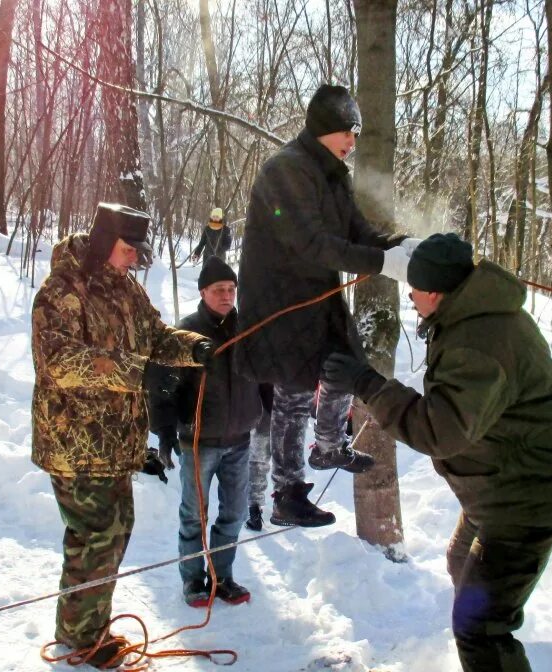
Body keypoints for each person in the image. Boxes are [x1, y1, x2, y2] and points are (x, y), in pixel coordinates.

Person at [322, 233, 552, 672]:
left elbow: (439, 430)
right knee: (460, 561)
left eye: (412, 288)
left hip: (528, 498)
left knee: (481, 626)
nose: (409, 296)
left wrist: (367, 383)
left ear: (432, 292)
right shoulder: (474, 312)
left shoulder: (477, 344)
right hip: (500, 485)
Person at [32, 203, 214, 669]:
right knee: (97, 536)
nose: (134, 259)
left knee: (112, 535)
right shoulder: (62, 290)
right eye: (127, 248)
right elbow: (62, 361)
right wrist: (138, 372)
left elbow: (155, 337)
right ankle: (82, 637)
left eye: (138, 250)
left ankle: (81, 628)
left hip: (116, 441)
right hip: (75, 441)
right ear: (101, 241)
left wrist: (196, 347)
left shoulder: (126, 290)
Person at [233, 84, 418, 527]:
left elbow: (355, 230)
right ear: (323, 129)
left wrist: (400, 247)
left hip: (316, 294)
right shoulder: (286, 170)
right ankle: (286, 492)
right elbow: (309, 243)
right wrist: (380, 262)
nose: (352, 143)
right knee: (293, 393)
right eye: (347, 133)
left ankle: (329, 445)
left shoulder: (334, 174)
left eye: (356, 134)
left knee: (346, 365)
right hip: (279, 301)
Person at [146, 256, 263, 608]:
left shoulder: (248, 328)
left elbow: (264, 375)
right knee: (193, 515)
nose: (227, 295)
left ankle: (222, 576)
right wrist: (165, 432)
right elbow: (163, 387)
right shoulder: (187, 333)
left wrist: (264, 414)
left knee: (234, 513)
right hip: (199, 442)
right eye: (218, 290)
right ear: (203, 292)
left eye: (231, 289)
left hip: (240, 438)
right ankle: (193, 580)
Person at [245, 386, 273, 531]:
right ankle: (287, 505)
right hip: (285, 406)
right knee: (286, 460)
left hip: (263, 408)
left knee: (258, 463)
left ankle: (254, 510)